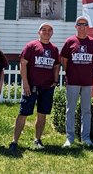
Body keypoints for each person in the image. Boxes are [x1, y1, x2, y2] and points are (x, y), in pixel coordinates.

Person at [9, 22, 60, 152]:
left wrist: (55, 80)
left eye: (49, 30)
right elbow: (23, 64)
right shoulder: (31, 46)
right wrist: (25, 82)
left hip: (47, 87)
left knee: (42, 114)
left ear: (52, 33)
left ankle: (37, 139)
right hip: (31, 87)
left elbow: (56, 66)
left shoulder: (54, 49)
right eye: (44, 29)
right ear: (39, 32)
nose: (47, 32)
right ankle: (14, 141)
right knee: (23, 113)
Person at [60, 16, 93, 147]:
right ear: (75, 26)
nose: (82, 26)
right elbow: (64, 60)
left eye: (85, 24)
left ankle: (86, 138)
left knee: (86, 110)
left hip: (87, 82)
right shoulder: (69, 41)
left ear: (88, 27)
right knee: (70, 110)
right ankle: (70, 138)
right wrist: (71, 73)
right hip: (72, 81)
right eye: (79, 24)